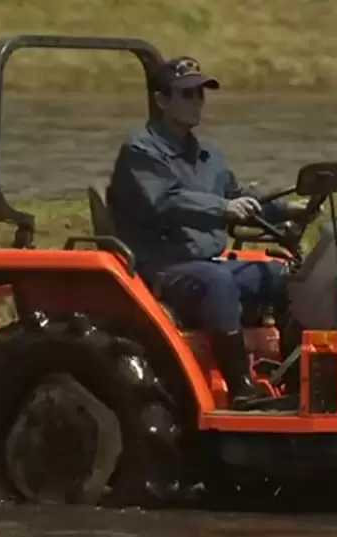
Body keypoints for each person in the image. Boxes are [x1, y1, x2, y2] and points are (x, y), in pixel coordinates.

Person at [106, 56, 309, 411]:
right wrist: (222, 209)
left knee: (282, 274)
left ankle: (295, 375)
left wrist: (290, 208)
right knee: (218, 281)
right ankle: (240, 387)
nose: (197, 101)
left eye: (200, 93)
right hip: (161, 266)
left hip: (205, 260)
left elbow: (237, 196)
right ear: (162, 100)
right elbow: (165, 202)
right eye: (186, 94)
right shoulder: (141, 152)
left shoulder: (208, 154)